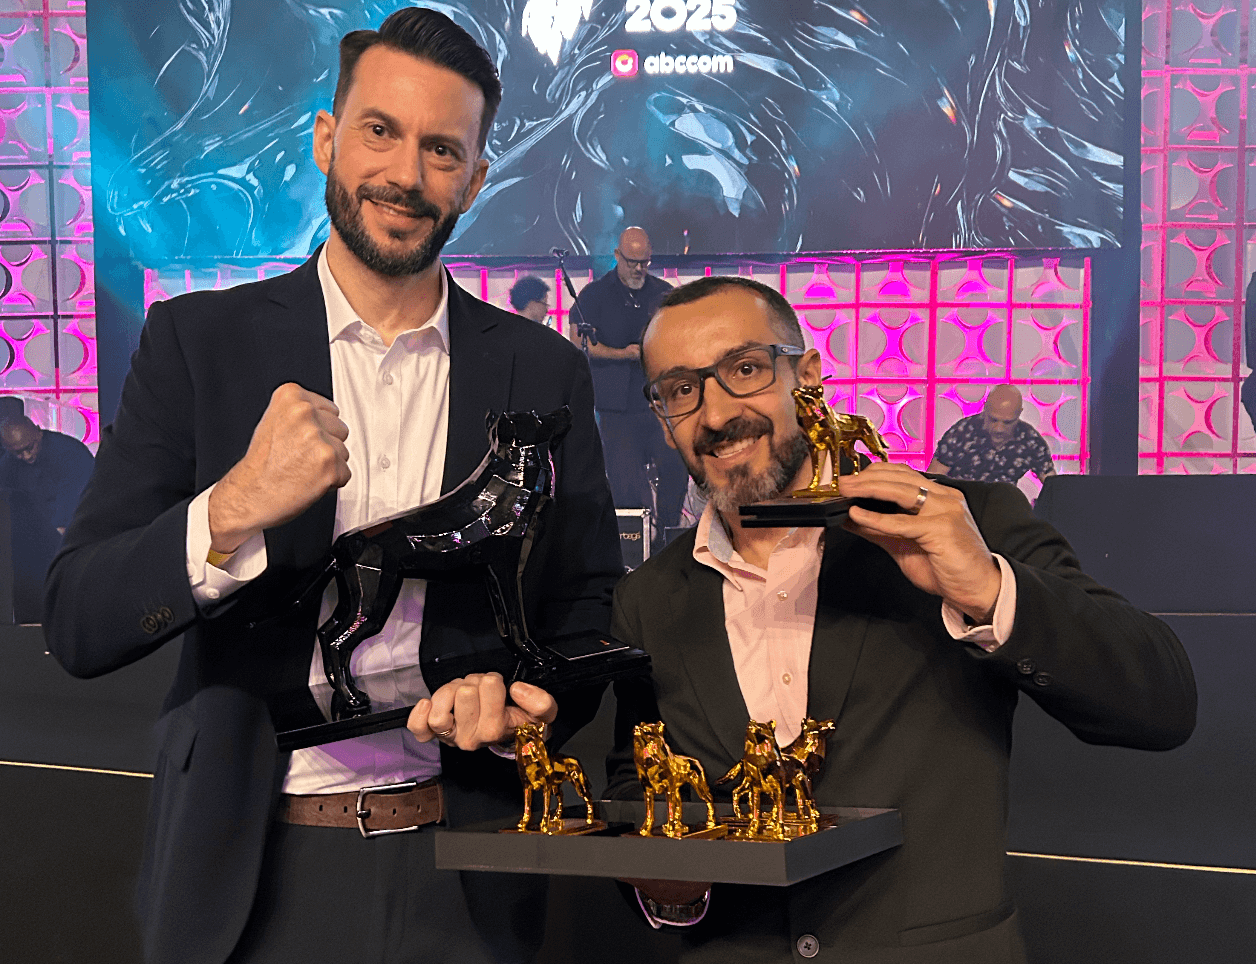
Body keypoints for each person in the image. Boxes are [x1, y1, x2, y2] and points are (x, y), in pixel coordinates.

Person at [43, 9, 621, 964]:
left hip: (467, 868)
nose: (406, 173)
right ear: (327, 139)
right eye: (380, 130)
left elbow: (584, 607)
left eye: (442, 149)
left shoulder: (543, 369)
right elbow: (78, 620)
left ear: (476, 179)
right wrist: (232, 506)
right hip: (250, 872)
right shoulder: (197, 343)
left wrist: (528, 706)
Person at [606, 276, 1196, 962]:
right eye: (681, 389)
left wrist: (986, 589)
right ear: (663, 417)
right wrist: (670, 889)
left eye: (744, 370)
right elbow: (637, 787)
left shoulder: (968, 523)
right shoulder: (648, 597)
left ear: (807, 376)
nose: (714, 414)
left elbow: (1161, 704)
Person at [569, 226, 687, 541]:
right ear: (617, 256)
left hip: (658, 404)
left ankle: (667, 535)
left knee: (676, 466)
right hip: (616, 408)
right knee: (626, 483)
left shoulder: (663, 293)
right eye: (632, 262)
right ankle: (636, 544)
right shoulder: (594, 294)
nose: (638, 269)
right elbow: (579, 343)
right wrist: (623, 354)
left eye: (644, 262)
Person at [0, 415, 94, 622]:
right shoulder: (8, 465)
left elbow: (77, 503)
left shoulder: (70, 453)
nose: (26, 456)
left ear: (38, 433)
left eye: (29, 448)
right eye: (18, 452)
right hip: (34, 551)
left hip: (76, 539)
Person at [928, 384, 1056, 486]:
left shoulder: (1030, 440)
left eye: (1008, 422)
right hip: (959, 503)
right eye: (993, 420)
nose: (999, 429)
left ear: (1019, 414)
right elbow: (932, 478)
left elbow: (1052, 483)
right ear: (985, 408)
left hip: (1001, 505)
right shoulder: (962, 432)